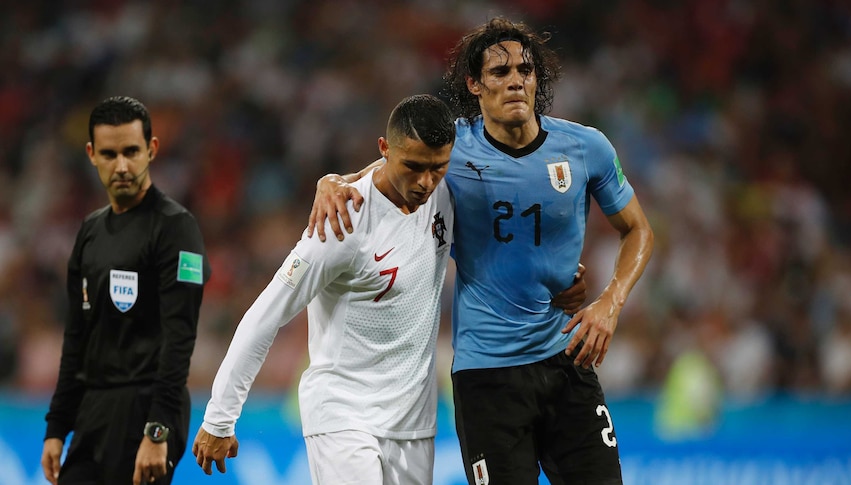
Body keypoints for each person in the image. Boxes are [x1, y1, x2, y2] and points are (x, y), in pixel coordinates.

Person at [308, 17, 654, 485]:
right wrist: (330, 182)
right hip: (487, 376)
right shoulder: (453, 146)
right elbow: (385, 174)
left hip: (565, 361)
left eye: (525, 70)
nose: (515, 80)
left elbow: (638, 230)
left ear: (537, 80)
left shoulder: (585, 147)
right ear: (474, 83)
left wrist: (609, 303)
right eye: (499, 72)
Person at [191, 94, 457, 485]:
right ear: (384, 149)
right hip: (343, 414)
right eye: (413, 167)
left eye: (437, 168)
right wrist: (219, 417)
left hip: (414, 422)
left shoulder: (445, 194)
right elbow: (264, 317)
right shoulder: (341, 223)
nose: (425, 182)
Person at [41, 96, 211, 485]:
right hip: (93, 411)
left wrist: (157, 431)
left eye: (131, 151)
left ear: (151, 150)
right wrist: (56, 426)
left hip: (147, 408)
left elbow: (179, 338)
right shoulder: (90, 232)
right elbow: (77, 338)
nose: (121, 165)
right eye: (110, 153)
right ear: (91, 154)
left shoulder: (175, 228)